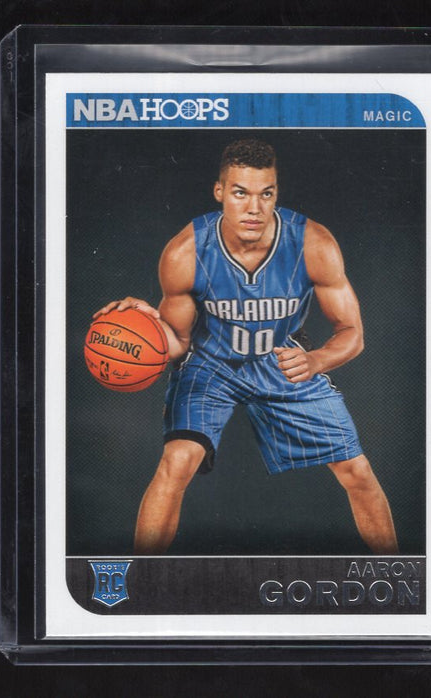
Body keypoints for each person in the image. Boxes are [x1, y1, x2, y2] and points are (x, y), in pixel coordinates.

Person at [94, 138, 398, 555]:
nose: (254, 208)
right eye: (240, 193)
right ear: (220, 191)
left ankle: (393, 572)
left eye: (265, 194)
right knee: (176, 462)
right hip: (211, 364)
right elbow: (178, 342)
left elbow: (352, 332)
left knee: (356, 471)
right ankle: (141, 577)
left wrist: (315, 360)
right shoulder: (186, 252)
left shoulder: (312, 244)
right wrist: (144, 324)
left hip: (281, 359)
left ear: (276, 193)